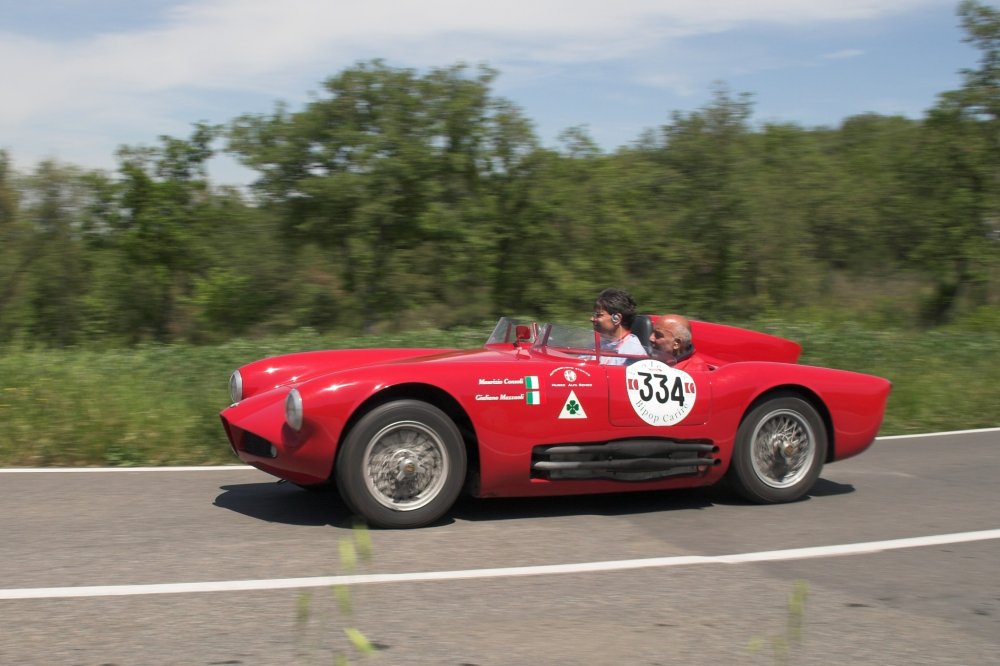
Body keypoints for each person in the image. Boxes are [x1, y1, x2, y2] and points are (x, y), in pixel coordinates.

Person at [590, 288, 647, 365]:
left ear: (616, 318)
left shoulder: (633, 352)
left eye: (599, 315)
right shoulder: (600, 344)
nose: (592, 319)